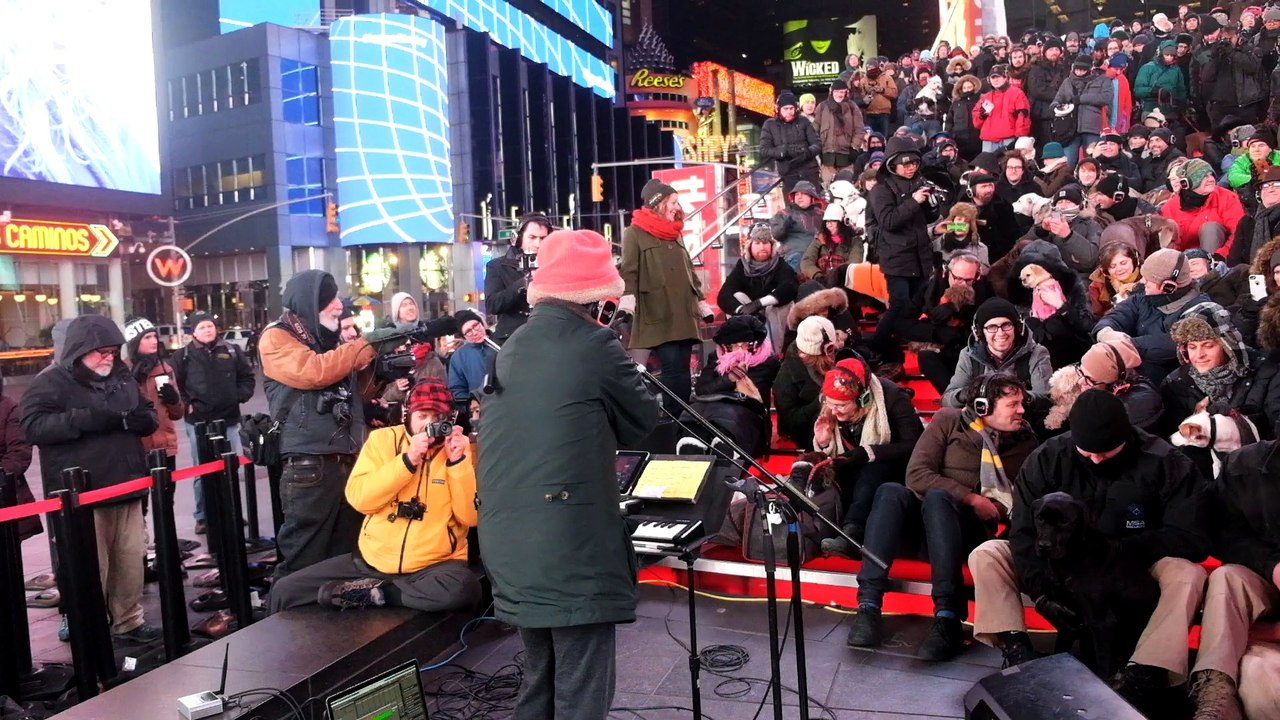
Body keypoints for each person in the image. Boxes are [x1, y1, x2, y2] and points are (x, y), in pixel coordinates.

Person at [478, 229, 659, 720]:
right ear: (600, 299)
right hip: (569, 545)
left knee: (541, 681)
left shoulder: (512, 346)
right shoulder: (595, 343)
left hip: (509, 541)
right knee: (582, 686)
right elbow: (644, 421)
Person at [969, 389, 1211, 712]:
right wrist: (1041, 591)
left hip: (1132, 564)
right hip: (1058, 563)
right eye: (1087, 452)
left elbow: (1193, 536)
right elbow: (1024, 533)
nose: (1096, 459)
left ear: (1126, 436)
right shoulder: (1047, 458)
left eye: (1106, 453)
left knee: (1188, 573)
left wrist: (1121, 548)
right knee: (987, 554)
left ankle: (1145, 671)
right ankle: (1018, 650)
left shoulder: (1165, 462)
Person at [846, 373, 1038, 660]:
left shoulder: (1025, 443)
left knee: (938, 498)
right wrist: (971, 497)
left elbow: (1016, 500)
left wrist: (992, 507)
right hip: (926, 525)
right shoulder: (949, 420)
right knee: (891, 491)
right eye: (1013, 404)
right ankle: (868, 605)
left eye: (1022, 403)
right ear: (984, 406)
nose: (1022, 411)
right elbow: (917, 474)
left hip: (967, 534)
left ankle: (948, 616)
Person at [259, 270, 422, 580]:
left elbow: (352, 396)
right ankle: (285, 621)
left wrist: (382, 371)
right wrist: (367, 345)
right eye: (330, 300)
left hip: (347, 461)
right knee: (302, 559)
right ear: (310, 303)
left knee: (345, 554)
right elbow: (314, 372)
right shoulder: (276, 337)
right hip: (310, 467)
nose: (339, 306)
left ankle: (332, 623)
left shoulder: (325, 339)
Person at [268, 379, 480, 613]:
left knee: (463, 588)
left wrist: (458, 462)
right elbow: (360, 499)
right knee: (285, 590)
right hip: (372, 562)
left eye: (437, 418)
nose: (429, 425)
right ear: (407, 416)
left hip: (434, 566)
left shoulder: (460, 450)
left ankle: (377, 594)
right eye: (422, 416)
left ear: (449, 420)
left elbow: (470, 518)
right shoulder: (383, 440)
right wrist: (407, 461)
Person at [20, 315, 160, 644]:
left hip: (126, 485)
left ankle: (128, 621)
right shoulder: (51, 381)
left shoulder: (122, 377)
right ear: (81, 351)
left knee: (129, 561)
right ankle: (86, 622)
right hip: (83, 494)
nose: (109, 357)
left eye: (112, 351)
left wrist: (137, 421)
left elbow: (148, 414)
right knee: (88, 566)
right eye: (101, 352)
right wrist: (84, 420)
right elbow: (32, 427)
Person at [1195, 439, 1280, 720]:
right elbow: (1224, 534)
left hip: (1269, 635)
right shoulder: (1245, 467)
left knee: (1257, 670)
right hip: (1265, 583)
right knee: (1227, 577)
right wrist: (1273, 566)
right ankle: (1216, 689)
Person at [812, 356, 924, 549]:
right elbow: (824, 450)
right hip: (855, 466)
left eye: (841, 406)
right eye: (830, 404)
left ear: (863, 398)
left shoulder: (894, 398)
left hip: (896, 467)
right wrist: (823, 442)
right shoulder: (830, 409)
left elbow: (914, 445)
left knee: (871, 471)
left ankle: (852, 533)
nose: (834, 411)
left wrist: (869, 453)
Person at [1159, 302, 1279, 479]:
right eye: (1192, 347)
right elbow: (1176, 448)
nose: (1199, 355)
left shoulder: (1266, 370)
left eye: (1208, 345)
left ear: (1226, 344)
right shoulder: (1177, 384)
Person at [619, 179, 712, 406]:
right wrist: (627, 302)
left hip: (683, 311)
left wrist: (700, 301)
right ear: (658, 203)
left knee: (683, 368)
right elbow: (629, 269)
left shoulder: (676, 233)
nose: (677, 207)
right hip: (658, 312)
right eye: (673, 202)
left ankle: (683, 416)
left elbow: (688, 269)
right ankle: (676, 421)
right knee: (672, 369)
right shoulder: (634, 233)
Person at [171, 311, 254, 535]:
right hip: (198, 422)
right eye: (202, 327)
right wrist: (188, 405)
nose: (207, 330)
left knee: (231, 469)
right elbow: (175, 385)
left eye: (210, 326)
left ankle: (233, 512)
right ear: (193, 332)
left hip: (228, 420)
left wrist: (239, 395)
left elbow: (247, 377)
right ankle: (203, 517)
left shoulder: (231, 351)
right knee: (202, 472)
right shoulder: (183, 356)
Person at [1094, 247, 1213, 383]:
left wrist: (1128, 344)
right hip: (1128, 368)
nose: (1143, 282)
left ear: (1169, 286)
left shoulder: (1200, 309)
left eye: (1149, 279)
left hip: (1164, 383)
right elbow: (1117, 315)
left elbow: (1174, 343)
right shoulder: (1142, 296)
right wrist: (1105, 332)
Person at [867, 136, 939, 357]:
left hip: (920, 254)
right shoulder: (880, 190)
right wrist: (913, 201)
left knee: (914, 306)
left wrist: (931, 204)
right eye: (906, 164)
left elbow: (926, 219)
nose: (911, 168)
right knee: (899, 303)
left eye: (914, 163)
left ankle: (894, 343)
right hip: (896, 256)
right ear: (892, 164)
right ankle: (874, 345)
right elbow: (888, 221)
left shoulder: (919, 183)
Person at [681, 315, 780, 458]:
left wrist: (729, 379)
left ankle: (726, 451)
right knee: (693, 426)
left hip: (746, 414)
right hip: (711, 412)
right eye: (734, 344)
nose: (739, 349)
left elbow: (749, 396)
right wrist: (730, 378)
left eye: (743, 344)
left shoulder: (768, 362)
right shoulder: (715, 358)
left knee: (729, 428)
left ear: (754, 344)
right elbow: (702, 389)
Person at [901, 253, 993, 392]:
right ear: (947, 273)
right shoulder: (930, 288)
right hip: (940, 348)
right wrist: (936, 333)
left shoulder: (985, 290)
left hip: (971, 348)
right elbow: (903, 324)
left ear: (977, 276)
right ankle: (954, 399)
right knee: (926, 357)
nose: (962, 284)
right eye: (958, 278)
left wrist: (959, 321)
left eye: (968, 280)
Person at [1043, 330, 1164, 433]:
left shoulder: (1136, 408)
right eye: (1080, 372)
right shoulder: (1103, 387)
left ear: (1114, 383)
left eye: (1089, 380)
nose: (1080, 382)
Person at [942, 298, 1052, 409]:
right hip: (981, 421)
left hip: (1022, 419)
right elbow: (947, 400)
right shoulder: (968, 355)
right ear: (979, 333)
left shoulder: (1037, 353)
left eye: (1006, 325)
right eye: (992, 327)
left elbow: (1045, 399)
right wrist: (968, 393)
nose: (1000, 333)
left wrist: (1014, 394)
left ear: (1018, 328)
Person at [1006, 239, 1095, 368]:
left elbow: (1087, 324)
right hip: (1034, 361)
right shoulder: (1021, 295)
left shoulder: (1070, 287)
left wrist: (1062, 306)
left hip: (1072, 358)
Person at [718, 224, 799, 355]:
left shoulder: (780, 265)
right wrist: (742, 309)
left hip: (774, 321)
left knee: (779, 304)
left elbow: (789, 288)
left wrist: (759, 303)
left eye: (766, 242)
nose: (762, 247)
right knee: (736, 296)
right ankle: (741, 351)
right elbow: (724, 295)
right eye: (757, 243)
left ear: (772, 245)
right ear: (750, 246)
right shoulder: (742, 267)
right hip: (750, 318)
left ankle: (773, 354)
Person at [123, 317, 184, 464]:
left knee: (167, 487)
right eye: (147, 337)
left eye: (155, 336)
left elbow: (178, 414)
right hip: (136, 448)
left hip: (164, 447)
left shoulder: (165, 369)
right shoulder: (122, 371)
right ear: (135, 342)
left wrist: (174, 400)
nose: (154, 341)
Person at [774, 315, 840, 450]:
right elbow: (791, 422)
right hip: (812, 434)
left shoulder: (839, 352)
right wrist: (821, 401)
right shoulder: (786, 379)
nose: (831, 357)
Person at [484, 213, 551, 342]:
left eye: (543, 238)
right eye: (532, 237)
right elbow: (492, 305)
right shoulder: (497, 266)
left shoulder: (554, 264)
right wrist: (524, 283)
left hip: (548, 335)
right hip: (513, 339)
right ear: (519, 237)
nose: (538, 244)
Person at [1019, 185, 1102, 278]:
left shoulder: (1091, 225)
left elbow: (1092, 259)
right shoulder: (1046, 220)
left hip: (1080, 278)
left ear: (1081, 205)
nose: (1063, 206)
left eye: (1068, 202)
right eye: (1060, 202)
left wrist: (1068, 236)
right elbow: (1021, 246)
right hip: (1046, 276)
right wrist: (1042, 232)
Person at [1053, 57, 1114, 164]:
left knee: (1092, 162)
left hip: (1093, 127)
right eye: (1077, 69)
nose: (1079, 72)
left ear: (1090, 69)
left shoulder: (1103, 79)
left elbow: (1106, 97)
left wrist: (1081, 99)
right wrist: (1056, 107)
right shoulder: (1067, 81)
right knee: (1068, 163)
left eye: (1083, 69)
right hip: (1070, 129)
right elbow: (1057, 99)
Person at [759, 90, 822, 192]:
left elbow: (817, 144)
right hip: (788, 173)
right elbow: (764, 150)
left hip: (809, 171)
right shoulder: (770, 124)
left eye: (791, 108)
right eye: (785, 109)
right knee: (792, 206)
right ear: (779, 109)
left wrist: (807, 152)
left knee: (815, 204)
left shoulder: (803, 121)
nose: (789, 111)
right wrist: (783, 151)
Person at [815, 77, 865, 184]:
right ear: (832, 92)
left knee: (846, 187)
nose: (839, 94)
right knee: (829, 189)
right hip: (827, 157)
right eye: (837, 91)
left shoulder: (852, 107)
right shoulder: (822, 107)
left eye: (842, 92)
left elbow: (859, 129)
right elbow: (815, 130)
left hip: (846, 156)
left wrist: (854, 148)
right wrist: (817, 149)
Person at [972, 65, 1032, 153]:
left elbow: (1022, 117)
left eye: (998, 77)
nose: (995, 80)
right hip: (989, 141)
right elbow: (976, 122)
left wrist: (1020, 137)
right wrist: (981, 115)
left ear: (1005, 77)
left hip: (1009, 140)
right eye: (993, 77)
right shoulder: (985, 97)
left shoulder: (1017, 94)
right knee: (987, 166)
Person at [1228, 166, 1280, 266]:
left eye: (1277, 185)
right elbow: (1234, 261)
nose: (1270, 189)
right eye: (1265, 186)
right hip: (1251, 277)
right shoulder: (1247, 222)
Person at [770, 180, 825, 272]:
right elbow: (776, 235)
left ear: (812, 197)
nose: (799, 197)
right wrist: (785, 224)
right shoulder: (784, 213)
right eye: (797, 194)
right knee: (797, 259)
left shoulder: (821, 214)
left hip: (819, 253)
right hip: (795, 253)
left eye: (803, 194)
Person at [446, 309, 495, 414]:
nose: (474, 332)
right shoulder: (459, 357)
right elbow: (456, 390)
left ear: (481, 323)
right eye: (468, 331)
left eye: (475, 326)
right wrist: (470, 404)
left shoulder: (500, 342)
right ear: (464, 337)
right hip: (483, 410)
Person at [1027, 38, 1071, 147]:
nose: (1054, 52)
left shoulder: (1064, 69)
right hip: (1041, 116)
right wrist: (1059, 96)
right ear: (1045, 52)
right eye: (1051, 49)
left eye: (1057, 49)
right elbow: (1037, 90)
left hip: (1060, 115)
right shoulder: (1036, 69)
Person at [801, 206, 860, 280]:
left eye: (833, 221)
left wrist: (837, 275)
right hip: (822, 279)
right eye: (827, 221)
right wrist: (817, 275)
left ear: (842, 222)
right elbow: (807, 261)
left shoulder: (854, 240)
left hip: (844, 279)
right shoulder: (819, 239)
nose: (829, 225)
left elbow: (855, 261)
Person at [1088, 241, 1144, 316]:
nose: (1119, 269)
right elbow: (1095, 316)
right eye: (1112, 266)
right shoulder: (1097, 286)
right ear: (1105, 270)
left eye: (1123, 263)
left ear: (1134, 261)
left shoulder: (1149, 277)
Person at [1139, 128, 1185, 193]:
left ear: (1169, 141)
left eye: (1158, 140)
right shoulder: (1147, 161)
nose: (1154, 144)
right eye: (1151, 141)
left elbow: (1164, 185)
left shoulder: (1177, 159)